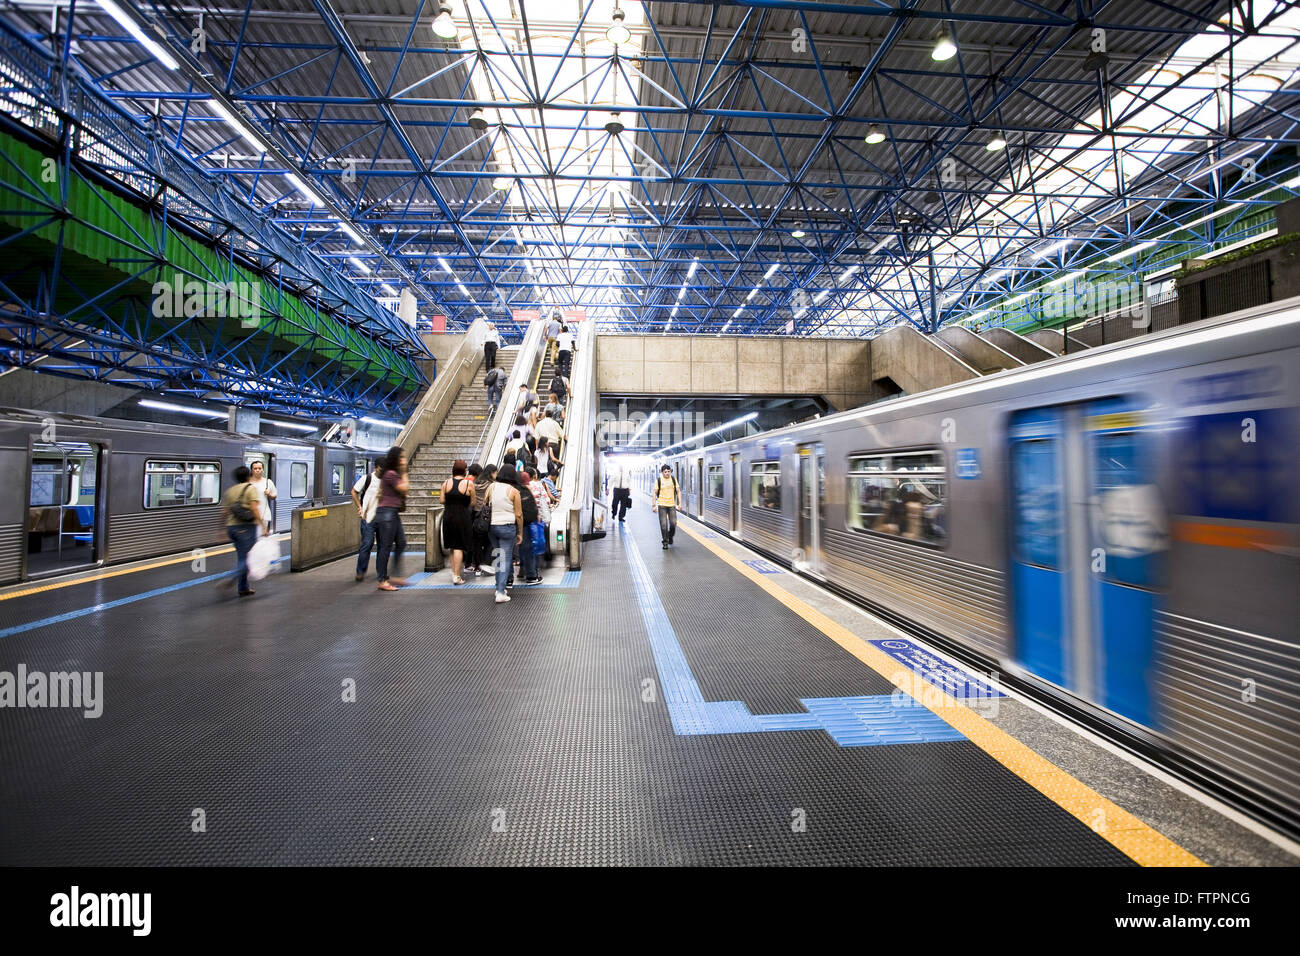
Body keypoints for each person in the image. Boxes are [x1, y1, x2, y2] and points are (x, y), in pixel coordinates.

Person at [218, 464, 262, 597]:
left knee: (242, 557)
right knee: (249, 558)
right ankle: (232, 577)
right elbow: (254, 509)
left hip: (232, 528)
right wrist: (263, 526)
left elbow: (224, 512)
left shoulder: (230, 491)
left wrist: (221, 529)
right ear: (249, 476)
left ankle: (243, 587)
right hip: (246, 528)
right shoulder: (251, 489)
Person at [374, 445, 409, 591]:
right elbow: (404, 488)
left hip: (392, 513)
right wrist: (405, 472)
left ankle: (394, 575)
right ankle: (382, 580)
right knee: (385, 547)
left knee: (401, 542)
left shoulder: (392, 474)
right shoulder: (390, 474)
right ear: (396, 459)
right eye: (401, 457)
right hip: (386, 513)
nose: (404, 460)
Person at [486, 464, 524, 603]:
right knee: (506, 559)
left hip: (492, 527)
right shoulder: (514, 492)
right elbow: (518, 515)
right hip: (507, 527)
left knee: (497, 557)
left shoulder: (491, 487)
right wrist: (520, 532)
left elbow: (486, 504)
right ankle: (501, 592)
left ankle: (498, 587)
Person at [441, 460, 476, 585]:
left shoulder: (446, 483)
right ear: (464, 470)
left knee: (452, 546)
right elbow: (473, 502)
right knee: (459, 547)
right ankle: (457, 576)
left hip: (448, 516)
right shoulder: (468, 484)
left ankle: (453, 572)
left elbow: (441, 500)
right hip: (462, 516)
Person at [350, 457, 384, 581]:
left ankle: (381, 573)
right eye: (381, 469)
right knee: (367, 543)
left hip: (382, 517)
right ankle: (360, 571)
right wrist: (360, 506)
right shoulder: (367, 478)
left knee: (383, 546)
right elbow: (354, 491)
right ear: (376, 468)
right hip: (368, 517)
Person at [515, 465, 542, 587]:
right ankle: (531, 575)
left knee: (521, 547)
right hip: (528, 523)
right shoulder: (528, 489)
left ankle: (522, 571)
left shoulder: (512, 490)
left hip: (515, 523)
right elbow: (535, 507)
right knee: (530, 548)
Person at [525, 466, 555, 567]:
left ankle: (526, 565)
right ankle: (545, 553)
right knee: (542, 535)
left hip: (526, 517)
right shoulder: (539, 485)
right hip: (538, 517)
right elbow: (547, 500)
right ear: (534, 475)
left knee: (527, 539)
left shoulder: (523, 486)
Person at [472, 463, 496, 574]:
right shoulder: (491, 485)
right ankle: (485, 564)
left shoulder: (474, 483)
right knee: (489, 540)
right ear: (491, 473)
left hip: (476, 514)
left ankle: (476, 566)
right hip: (487, 515)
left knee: (477, 541)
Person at [653, 464, 681, 548]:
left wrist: (680, 503)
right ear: (662, 472)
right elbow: (654, 493)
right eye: (665, 472)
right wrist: (654, 505)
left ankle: (670, 536)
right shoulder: (659, 480)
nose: (667, 473)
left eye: (669, 472)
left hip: (672, 505)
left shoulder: (673, 479)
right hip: (662, 505)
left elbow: (678, 491)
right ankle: (665, 542)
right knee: (663, 525)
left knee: (673, 523)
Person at [247, 460, 277, 535]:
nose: (257, 470)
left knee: (261, 538)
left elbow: (274, 496)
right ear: (251, 470)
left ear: (263, 469)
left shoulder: (268, 482)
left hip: (264, 515)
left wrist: (269, 494)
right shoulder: (248, 483)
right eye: (255, 468)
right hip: (249, 516)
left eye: (260, 468)